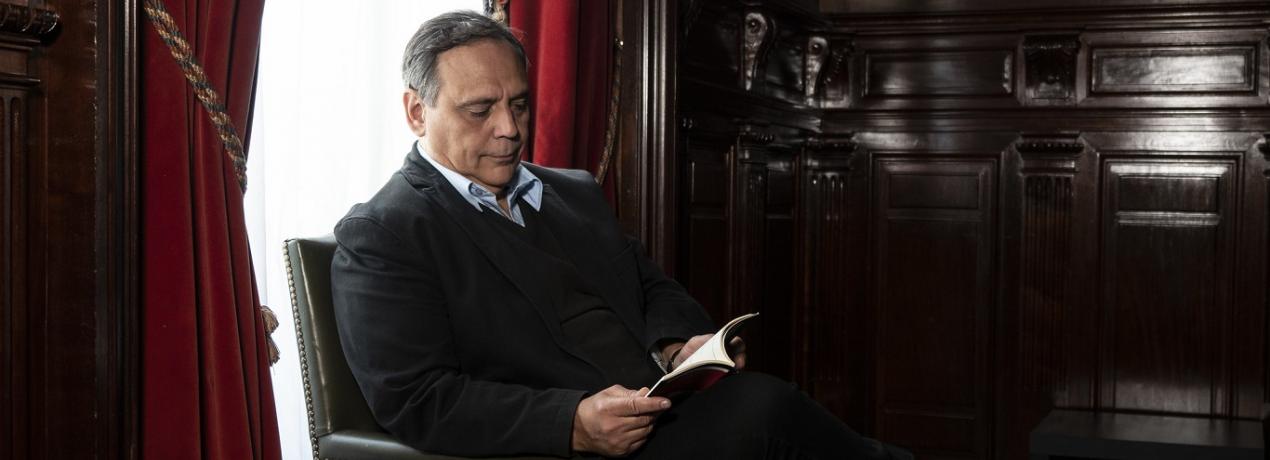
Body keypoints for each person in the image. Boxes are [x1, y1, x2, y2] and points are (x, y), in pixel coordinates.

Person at [330, 10, 911, 460]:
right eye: (480, 110)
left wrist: (678, 344)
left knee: (766, 409)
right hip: (560, 447)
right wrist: (572, 424)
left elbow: (648, 284)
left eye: (520, 105)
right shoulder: (384, 233)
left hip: (663, 408)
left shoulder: (572, 191)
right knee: (765, 412)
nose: (509, 129)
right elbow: (417, 399)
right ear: (416, 112)